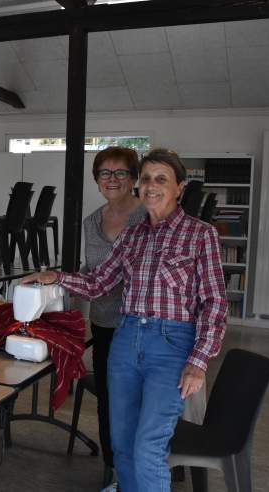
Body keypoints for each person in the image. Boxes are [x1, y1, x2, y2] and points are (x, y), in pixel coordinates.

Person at [21, 148, 227, 492]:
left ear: (179, 187)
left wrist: (198, 361)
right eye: (146, 179)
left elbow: (215, 303)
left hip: (171, 346)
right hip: (125, 341)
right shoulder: (132, 235)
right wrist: (55, 277)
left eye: (161, 179)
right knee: (122, 444)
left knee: (148, 446)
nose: (151, 186)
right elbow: (98, 283)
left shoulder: (200, 234)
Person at [83, 147, 146, 487]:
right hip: (106, 324)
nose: (112, 179)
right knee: (109, 402)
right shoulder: (91, 222)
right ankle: (115, 472)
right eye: (104, 173)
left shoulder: (150, 217)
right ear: (96, 179)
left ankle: (146, 470)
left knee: (143, 402)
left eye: (121, 172)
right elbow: (93, 273)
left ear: (134, 178)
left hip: (143, 327)